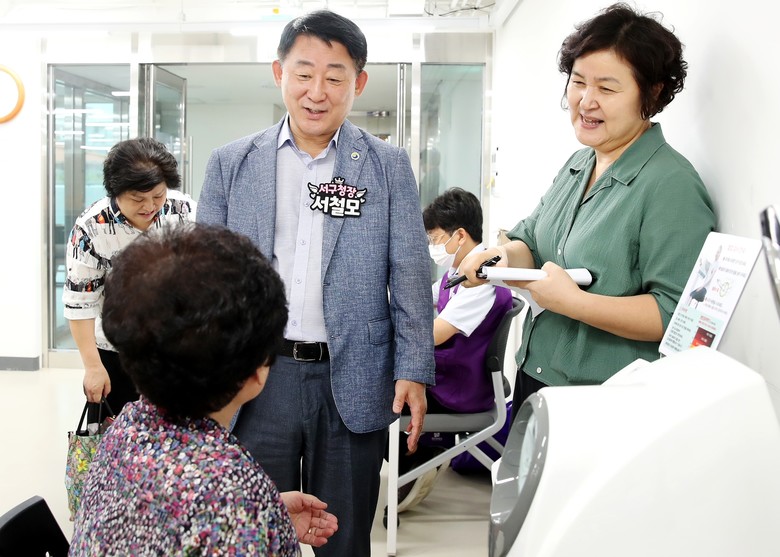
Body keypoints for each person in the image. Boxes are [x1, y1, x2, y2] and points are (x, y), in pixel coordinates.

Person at [196, 10, 435, 555]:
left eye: (334, 77)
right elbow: (206, 276)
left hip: (354, 376)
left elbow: (409, 269)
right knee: (252, 533)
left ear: (359, 82)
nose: (317, 92)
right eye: (304, 74)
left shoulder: (386, 166)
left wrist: (414, 367)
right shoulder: (232, 164)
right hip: (259, 378)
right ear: (279, 73)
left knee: (344, 537)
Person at [459, 3, 716, 419]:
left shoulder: (670, 184)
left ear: (651, 93)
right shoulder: (580, 164)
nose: (585, 101)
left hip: (605, 402)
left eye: (607, 89)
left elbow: (677, 314)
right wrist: (501, 258)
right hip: (537, 376)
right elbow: (530, 241)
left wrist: (574, 303)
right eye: (578, 82)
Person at [69, 223, 339, 555]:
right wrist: (256, 519)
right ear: (257, 371)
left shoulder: (124, 430)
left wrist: (267, 514)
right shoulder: (239, 497)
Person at [395, 187, 514, 512]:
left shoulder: (483, 281)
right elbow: (422, 299)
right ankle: (418, 459)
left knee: (385, 399)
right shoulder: (456, 274)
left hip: (461, 388)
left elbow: (433, 334)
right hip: (451, 377)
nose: (433, 247)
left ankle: (419, 458)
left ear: (460, 235)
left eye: (435, 239)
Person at [63, 137, 195, 419]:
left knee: (174, 438)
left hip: (175, 352)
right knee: (116, 437)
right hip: (116, 354)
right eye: (137, 199)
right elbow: (80, 302)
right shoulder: (91, 228)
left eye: (158, 196)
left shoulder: (184, 212)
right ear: (116, 192)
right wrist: (93, 367)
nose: (150, 206)